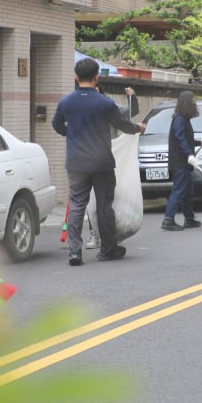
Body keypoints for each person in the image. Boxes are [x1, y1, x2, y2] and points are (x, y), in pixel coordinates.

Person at [53, 58, 145, 265]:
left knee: (77, 206)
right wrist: (137, 128)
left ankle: (74, 252)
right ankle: (107, 250)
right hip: (102, 162)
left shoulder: (66, 102)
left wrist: (71, 134)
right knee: (104, 206)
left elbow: (57, 125)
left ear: (76, 77)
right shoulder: (104, 103)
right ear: (97, 77)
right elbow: (122, 124)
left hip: (76, 162)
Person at [86, 85, 140, 249]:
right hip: (88, 157)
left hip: (109, 154)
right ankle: (95, 234)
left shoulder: (109, 105)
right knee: (91, 200)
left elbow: (130, 112)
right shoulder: (82, 107)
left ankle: (111, 233)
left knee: (108, 197)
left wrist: (132, 97)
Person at [162, 91, 202, 231]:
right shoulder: (179, 119)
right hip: (180, 162)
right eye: (193, 101)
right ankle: (168, 219)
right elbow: (180, 138)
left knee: (186, 191)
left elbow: (186, 138)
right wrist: (190, 154)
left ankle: (189, 219)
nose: (194, 104)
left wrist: (198, 143)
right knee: (179, 190)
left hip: (183, 162)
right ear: (187, 103)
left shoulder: (183, 119)